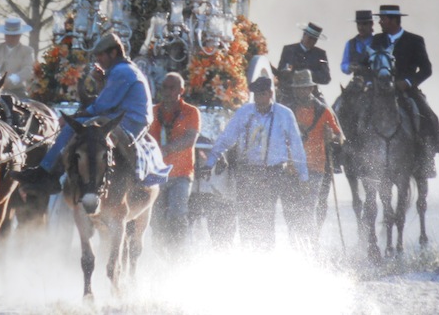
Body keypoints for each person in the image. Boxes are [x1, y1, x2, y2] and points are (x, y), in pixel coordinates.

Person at [13, 32, 162, 193]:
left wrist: (72, 118)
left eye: (101, 55)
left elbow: (101, 106)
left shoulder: (121, 71)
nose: (98, 60)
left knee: (73, 128)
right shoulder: (123, 69)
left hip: (129, 122)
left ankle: (47, 173)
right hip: (125, 118)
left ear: (113, 53)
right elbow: (108, 102)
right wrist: (100, 82)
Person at [199, 76, 308, 250]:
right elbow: (226, 138)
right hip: (247, 172)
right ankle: (248, 252)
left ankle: (266, 253)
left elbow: (296, 145)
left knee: (266, 217)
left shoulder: (284, 114)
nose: (259, 99)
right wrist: (210, 162)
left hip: (273, 173)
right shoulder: (245, 112)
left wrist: (303, 176)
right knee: (245, 217)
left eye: (262, 94)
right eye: (256, 95)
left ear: (270, 94)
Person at [371, 4, 439, 179]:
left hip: (406, 91)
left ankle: (427, 157)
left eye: (383, 19)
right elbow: (369, 63)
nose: (380, 22)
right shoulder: (376, 40)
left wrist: (408, 82)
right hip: (380, 90)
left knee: (429, 117)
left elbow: (426, 69)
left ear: (393, 20)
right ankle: (353, 150)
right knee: (359, 110)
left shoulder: (414, 40)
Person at [286, 69, 345, 246]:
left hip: (316, 167)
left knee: (308, 208)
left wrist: (331, 136)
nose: (301, 91)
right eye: (298, 88)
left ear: (311, 88)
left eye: (304, 87)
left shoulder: (323, 110)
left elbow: (340, 136)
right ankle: (295, 244)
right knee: (292, 211)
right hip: (292, 169)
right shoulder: (288, 110)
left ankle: (311, 245)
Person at [148, 73, 200, 252]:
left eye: (172, 88)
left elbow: (190, 139)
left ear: (181, 90)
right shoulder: (153, 112)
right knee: (155, 219)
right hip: (156, 175)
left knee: (177, 215)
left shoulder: (191, 112)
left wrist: (167, 148)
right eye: (164, 87)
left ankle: (179, 253)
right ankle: (159, 253)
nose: (167, 92)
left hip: (181, 174)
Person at [277, 22, 331, 104]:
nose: (311, 41)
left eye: (314, 39)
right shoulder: (289, 50)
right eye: (310, 37)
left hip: (311, 94)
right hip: (289, 92)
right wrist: (289, 73)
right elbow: (280, 72)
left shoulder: (320, 54)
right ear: (304, 35)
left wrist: (307, 74)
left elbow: (326, 78)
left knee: (326, 109)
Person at [0, 16, 36, 97]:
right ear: (4, 35)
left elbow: (28, 70)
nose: (10, 38)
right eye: (8, 35)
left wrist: (10, 80)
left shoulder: (27, 51)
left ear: (19, 35)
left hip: (17, 91)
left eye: (14, 36)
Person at [340, 10, 375, 76]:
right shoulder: (350, 43)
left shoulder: (377, 42)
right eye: (358, 24)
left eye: (364, 24)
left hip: (375, 79)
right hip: (358, 79)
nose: (360, 27)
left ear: (371, 24)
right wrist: (349, 67)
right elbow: (344, 64)